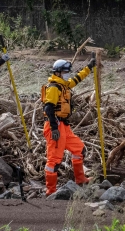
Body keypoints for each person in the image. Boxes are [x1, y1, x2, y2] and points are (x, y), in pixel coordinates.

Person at [41, 56, 95, 195]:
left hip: (64, 126)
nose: (67, 74)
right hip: (55, 126)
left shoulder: (64, 85)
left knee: (79, 149)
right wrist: (54, 128)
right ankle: (51, 190)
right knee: (54, 161)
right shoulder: (53, 87)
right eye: (65, 72)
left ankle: (80, 179)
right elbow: (48, 108)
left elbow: (77, 79)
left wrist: (89, 67)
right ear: (58, 72)